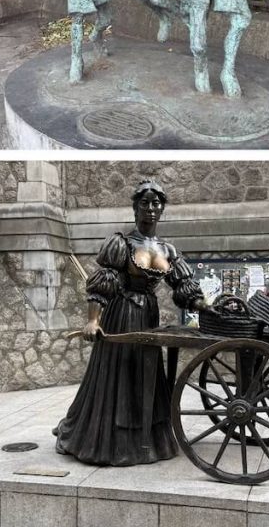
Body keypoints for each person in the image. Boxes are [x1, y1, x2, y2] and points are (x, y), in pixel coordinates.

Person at [53, 180, 204, 466]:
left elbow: (183, 286)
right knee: (119, 373)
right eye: (144, 203)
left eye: (156, 203)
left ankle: (148, 440)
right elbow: (103, 284)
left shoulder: (168, 250)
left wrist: (204, 304)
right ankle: (110, 442)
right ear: (135, 208)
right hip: (121, 315)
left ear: (162, 209)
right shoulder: (121, 243)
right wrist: (93, 320)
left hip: (148, 315)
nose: (150, 209)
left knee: (146, 372)